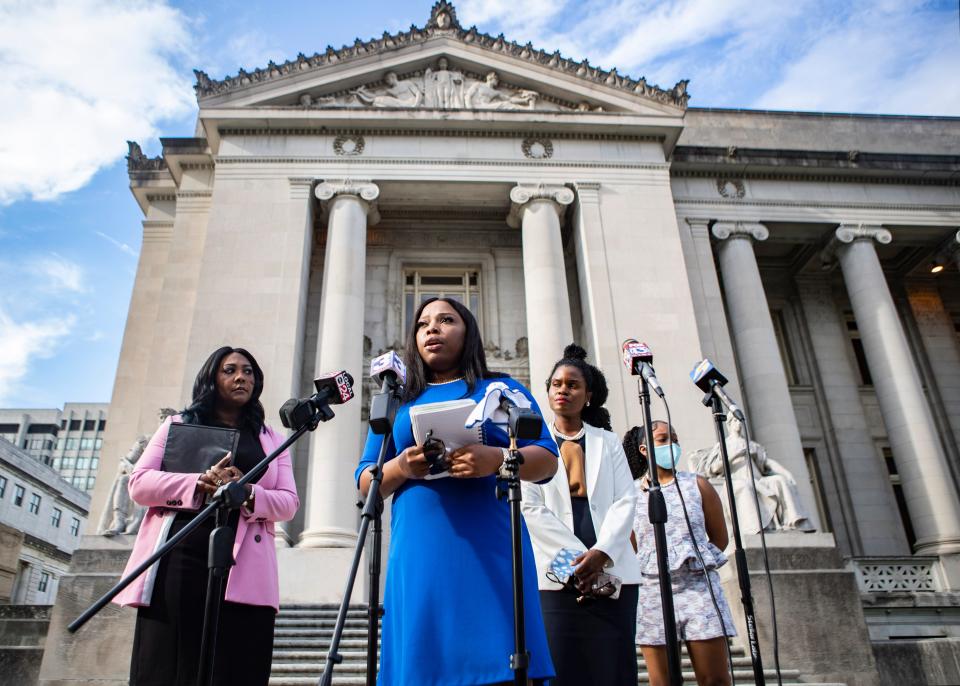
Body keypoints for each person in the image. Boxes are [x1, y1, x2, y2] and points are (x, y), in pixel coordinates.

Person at [356, 297, 558, 685]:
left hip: (492, 546)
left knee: (500, 662)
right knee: (422, 666)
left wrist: (497, 458)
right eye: (423, 324)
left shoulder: (501, 389)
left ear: (468, 332)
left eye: (446, 320)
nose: (432, 329)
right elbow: (366, 480)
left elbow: (546, 459)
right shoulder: (395, 401)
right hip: (420, 550)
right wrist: (401, 466)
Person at [115, 346, 300, 686]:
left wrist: (247, 493)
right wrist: (198, 481)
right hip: (180, 556)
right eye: (229, 370)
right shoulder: (178, 424)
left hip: (245, 563)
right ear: (212, 377)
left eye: (248, 371)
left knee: (237, 664)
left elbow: (288, 502)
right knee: (170, 664)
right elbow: (139, 484)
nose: (241, 377)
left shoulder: (271, 438)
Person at [521, 344, 640, 685]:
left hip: (612, 566)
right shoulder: (530, 443)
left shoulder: (608, 441)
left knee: (612, 670)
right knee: (560, 669)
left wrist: (602, 553)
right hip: (554, 571)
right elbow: (530, 507)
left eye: (572, 385)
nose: (563, 390)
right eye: (557, 384)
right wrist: (578, 561)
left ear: (588, 395)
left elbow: (625, 500)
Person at [626, 421, 736, 686]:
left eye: (674, 439)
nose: (671, 445)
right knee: (662, 682)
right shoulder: (629, 494)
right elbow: (629, 547)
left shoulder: (697, 485)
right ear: (644, 449)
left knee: (715, 680)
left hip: (699, 589)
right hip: (652, 592)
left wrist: (694, 561)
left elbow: (719, 538)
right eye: (663, 440)